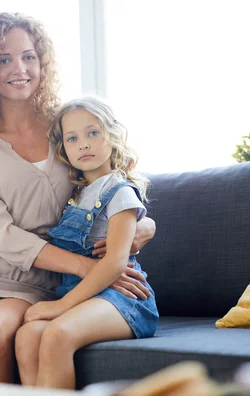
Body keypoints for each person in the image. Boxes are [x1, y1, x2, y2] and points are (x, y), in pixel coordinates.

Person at [0, 12, 156, 383]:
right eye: (3, 59)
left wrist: (144, 225)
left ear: (41, 62)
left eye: (28, 56)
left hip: (37, 278)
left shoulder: (67, 127)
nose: (20, 68)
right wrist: (84, 267)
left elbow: (114, 184)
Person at [15, 96, 160, 389]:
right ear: (64, 150)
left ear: (113, 137)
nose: (84, 144)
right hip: (84, 296)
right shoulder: (74, 195)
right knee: (27, 335)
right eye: (72, 138)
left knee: (58, 333)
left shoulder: (119, 191)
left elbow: (116, 262)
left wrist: (61, 306)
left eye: (93, 133)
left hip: (124, 300)